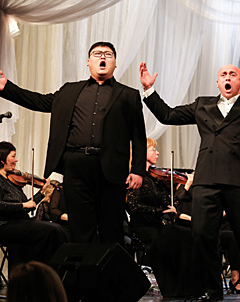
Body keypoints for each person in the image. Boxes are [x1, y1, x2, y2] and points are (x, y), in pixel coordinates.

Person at [139, 61, 240, 302]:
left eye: (232, 74)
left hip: (239, 181)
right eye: (223, 74)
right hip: (207, 180)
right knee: (202, 235)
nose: (228, 77)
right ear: (218, 82)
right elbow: (168, 115)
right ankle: (212, 290)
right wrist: (149, 90)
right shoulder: (202, 104)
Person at [0, 42, 147, 244]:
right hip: (76, 166)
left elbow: (138, 135)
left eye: (108, 54)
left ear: (115, 63)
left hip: (112, 168)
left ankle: (111, 276)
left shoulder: (129, 95)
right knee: (80, 230)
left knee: (111, 229)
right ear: (88, 62)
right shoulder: (70, 90)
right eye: (97, 54)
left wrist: (138, 169)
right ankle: (84, 276)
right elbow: (40, 101)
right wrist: (7, 88)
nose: (102, 57)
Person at [126, 138, 196, 298]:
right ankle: (172, 289)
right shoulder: (135, 177)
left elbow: (170, 205)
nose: (157, 153)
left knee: (188, 235)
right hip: (143, 228)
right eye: (153, 150)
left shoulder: (154, 179)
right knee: (174, 237)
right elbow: (134, 207)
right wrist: (160, 212)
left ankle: (186, 288)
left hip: (157, 225)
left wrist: (183, 189)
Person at [0, 141, 67, 270]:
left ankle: (54, 272)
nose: (16, 160)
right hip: (4, 224)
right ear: (2, 159)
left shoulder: (13, 180)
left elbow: (29, 204)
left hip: (20, 222)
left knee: (57, 229)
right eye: (13, 156)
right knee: (50, 231)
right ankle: (43, 272)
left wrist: (41, 193)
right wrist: (23, 206)